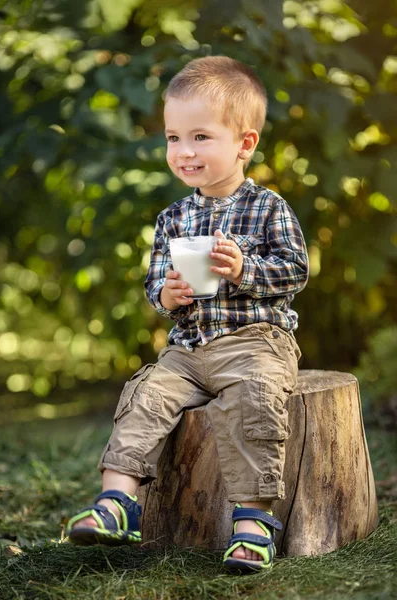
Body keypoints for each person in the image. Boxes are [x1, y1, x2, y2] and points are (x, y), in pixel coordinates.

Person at [67, 56, 309, 573]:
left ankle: (252, 524)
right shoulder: (172, 217)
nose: (184, 151)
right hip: (189, 350)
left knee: (253, 402)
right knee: (145, 395)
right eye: (174, 138)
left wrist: (244, 268)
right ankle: (117, 503)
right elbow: (157, 285)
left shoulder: (268, 208)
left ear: (244, 144)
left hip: (255, 342)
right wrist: (169, 295)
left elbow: (294, 271)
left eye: (200, 136)